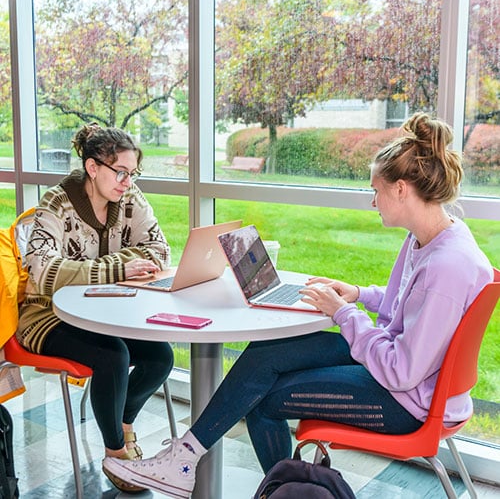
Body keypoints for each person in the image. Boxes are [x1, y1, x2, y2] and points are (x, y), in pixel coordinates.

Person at [103, 112, 493, 498]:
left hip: (407, 401)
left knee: (263, 400)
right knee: (268, 353)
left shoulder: (447, 267)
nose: (373, 202)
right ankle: (184, 461)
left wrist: (343, 313)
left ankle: (277, 491)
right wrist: (356, 293)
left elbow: (402, 371)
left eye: (376, 191)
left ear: (402, 189)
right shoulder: (431, 239)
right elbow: (406, 306)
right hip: (402, 369)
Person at [17, 123, 174, 493]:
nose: (127, 181)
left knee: (160, 357)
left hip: (105, 313)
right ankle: (117, 457)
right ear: (92, 167)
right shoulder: (57, 203)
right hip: (47, 315)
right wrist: (118, 267)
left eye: (132, 173)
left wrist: (92, 271)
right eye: (120, 172)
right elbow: (42, 270)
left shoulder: (129, 197)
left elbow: (159, 251)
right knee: (113, 355)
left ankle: (121, 422)